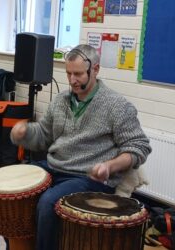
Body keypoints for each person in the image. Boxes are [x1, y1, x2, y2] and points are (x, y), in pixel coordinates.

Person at [10, 44, 152, 250]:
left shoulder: (117, 105)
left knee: (48, 202)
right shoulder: (60, 101)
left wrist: (110, 166)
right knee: (16, 189)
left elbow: (139, 147)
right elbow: (43, 135)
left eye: (78, 74)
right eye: (68, 73)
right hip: (54, 166)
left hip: (88, 177)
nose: (72, 80)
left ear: (95, 69)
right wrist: (24, 133)